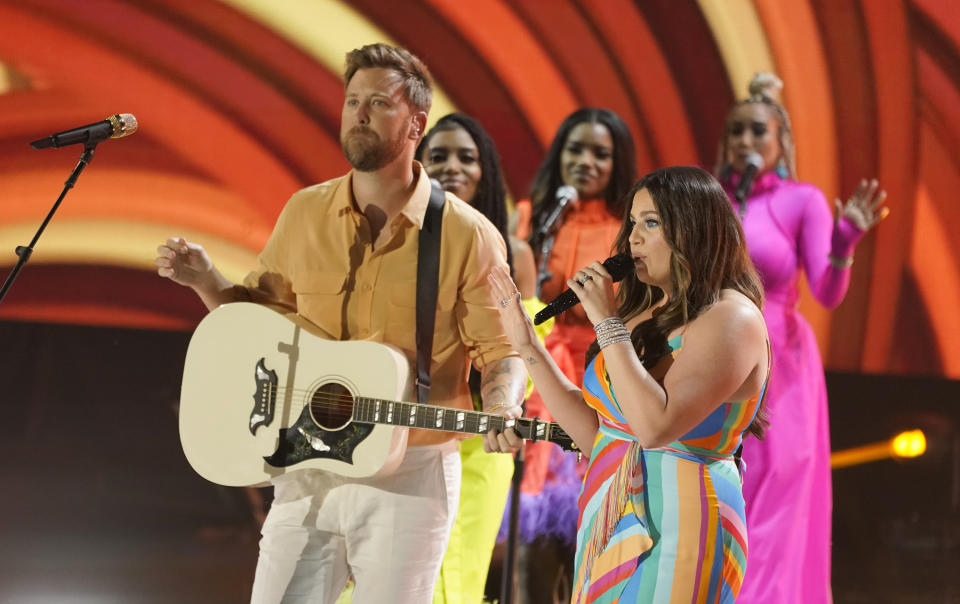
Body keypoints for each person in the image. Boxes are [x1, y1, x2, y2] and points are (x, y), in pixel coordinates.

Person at [155, 43, 527, 604]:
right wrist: (205, 280)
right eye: (353, 100)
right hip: (305, 461)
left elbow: (503, 351)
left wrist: (502, 408)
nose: (358, 113)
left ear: (415, 125)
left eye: (378, 103)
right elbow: (257, 325)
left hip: (412, 469)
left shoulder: (466, 234)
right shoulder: (305, 212)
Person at [487, 165, 771, 602]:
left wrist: (606, 322)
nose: (632, 238)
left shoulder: (733, 319)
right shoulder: (645, 313)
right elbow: (598, 435)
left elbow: (654, 428)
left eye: (651, 223)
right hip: (609, 511)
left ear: (694, 230)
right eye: (633, 223)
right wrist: (527, 342)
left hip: (684, 521)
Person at [714, 73, 888, 603]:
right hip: (712, 356)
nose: (746, 142)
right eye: (737, 132)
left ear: (781, 142)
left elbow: (829, 292)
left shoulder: (802, 200)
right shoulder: (708, 197)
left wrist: (845, 241)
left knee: (775, 496)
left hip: (781, 366)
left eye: (758, 132)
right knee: (718, 486)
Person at [510, 107, 637, 602]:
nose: (585, 161)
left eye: (600, 153)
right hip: (535, 375)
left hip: (597, 380)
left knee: (588, 526)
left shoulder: (628, 229)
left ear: (617, 162)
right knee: (532, 537)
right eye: (575, 149)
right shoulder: (529, 218)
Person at [415, 112, 540, 603]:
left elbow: (524, 350)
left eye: (466, 158)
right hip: (410, 432)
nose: (451, 167)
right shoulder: (397, 241)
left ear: (485, 170)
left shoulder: (515, 253)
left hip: (482, 441)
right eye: (437, 156)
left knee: (460, 572)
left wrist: (504, 406)